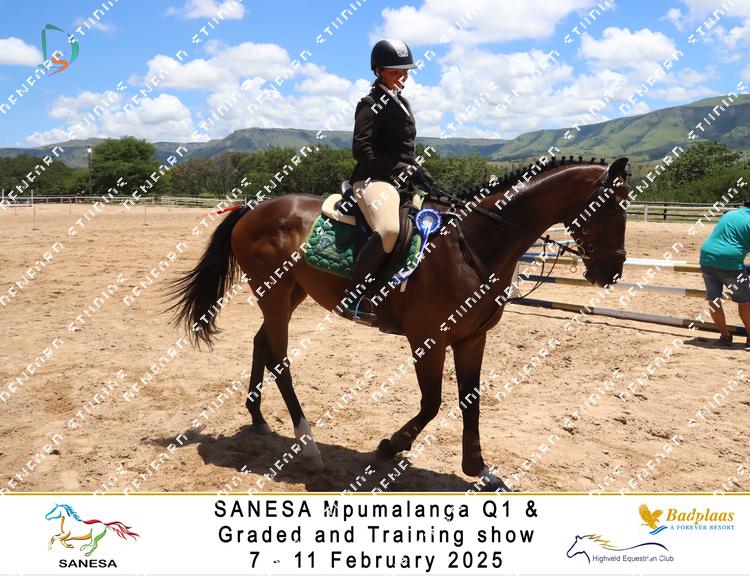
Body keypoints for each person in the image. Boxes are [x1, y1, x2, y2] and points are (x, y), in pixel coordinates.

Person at [340, 38, 433, 321]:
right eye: (395, 72)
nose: (402, 77)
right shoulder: (369, 104)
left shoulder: (401, 101)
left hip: (400, 182)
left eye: (405, 72)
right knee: (390, 229)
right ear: (378, 70)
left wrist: (416, 169)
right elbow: (362, 150)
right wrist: (403, 167)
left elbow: (400, 148)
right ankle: (353, 297)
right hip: (372, 181)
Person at [698, 200, 750, 348]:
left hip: (706, 257)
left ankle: (725, 336)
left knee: (714, 300)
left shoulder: (729, 214)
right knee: (745, 301)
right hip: (731, 262)